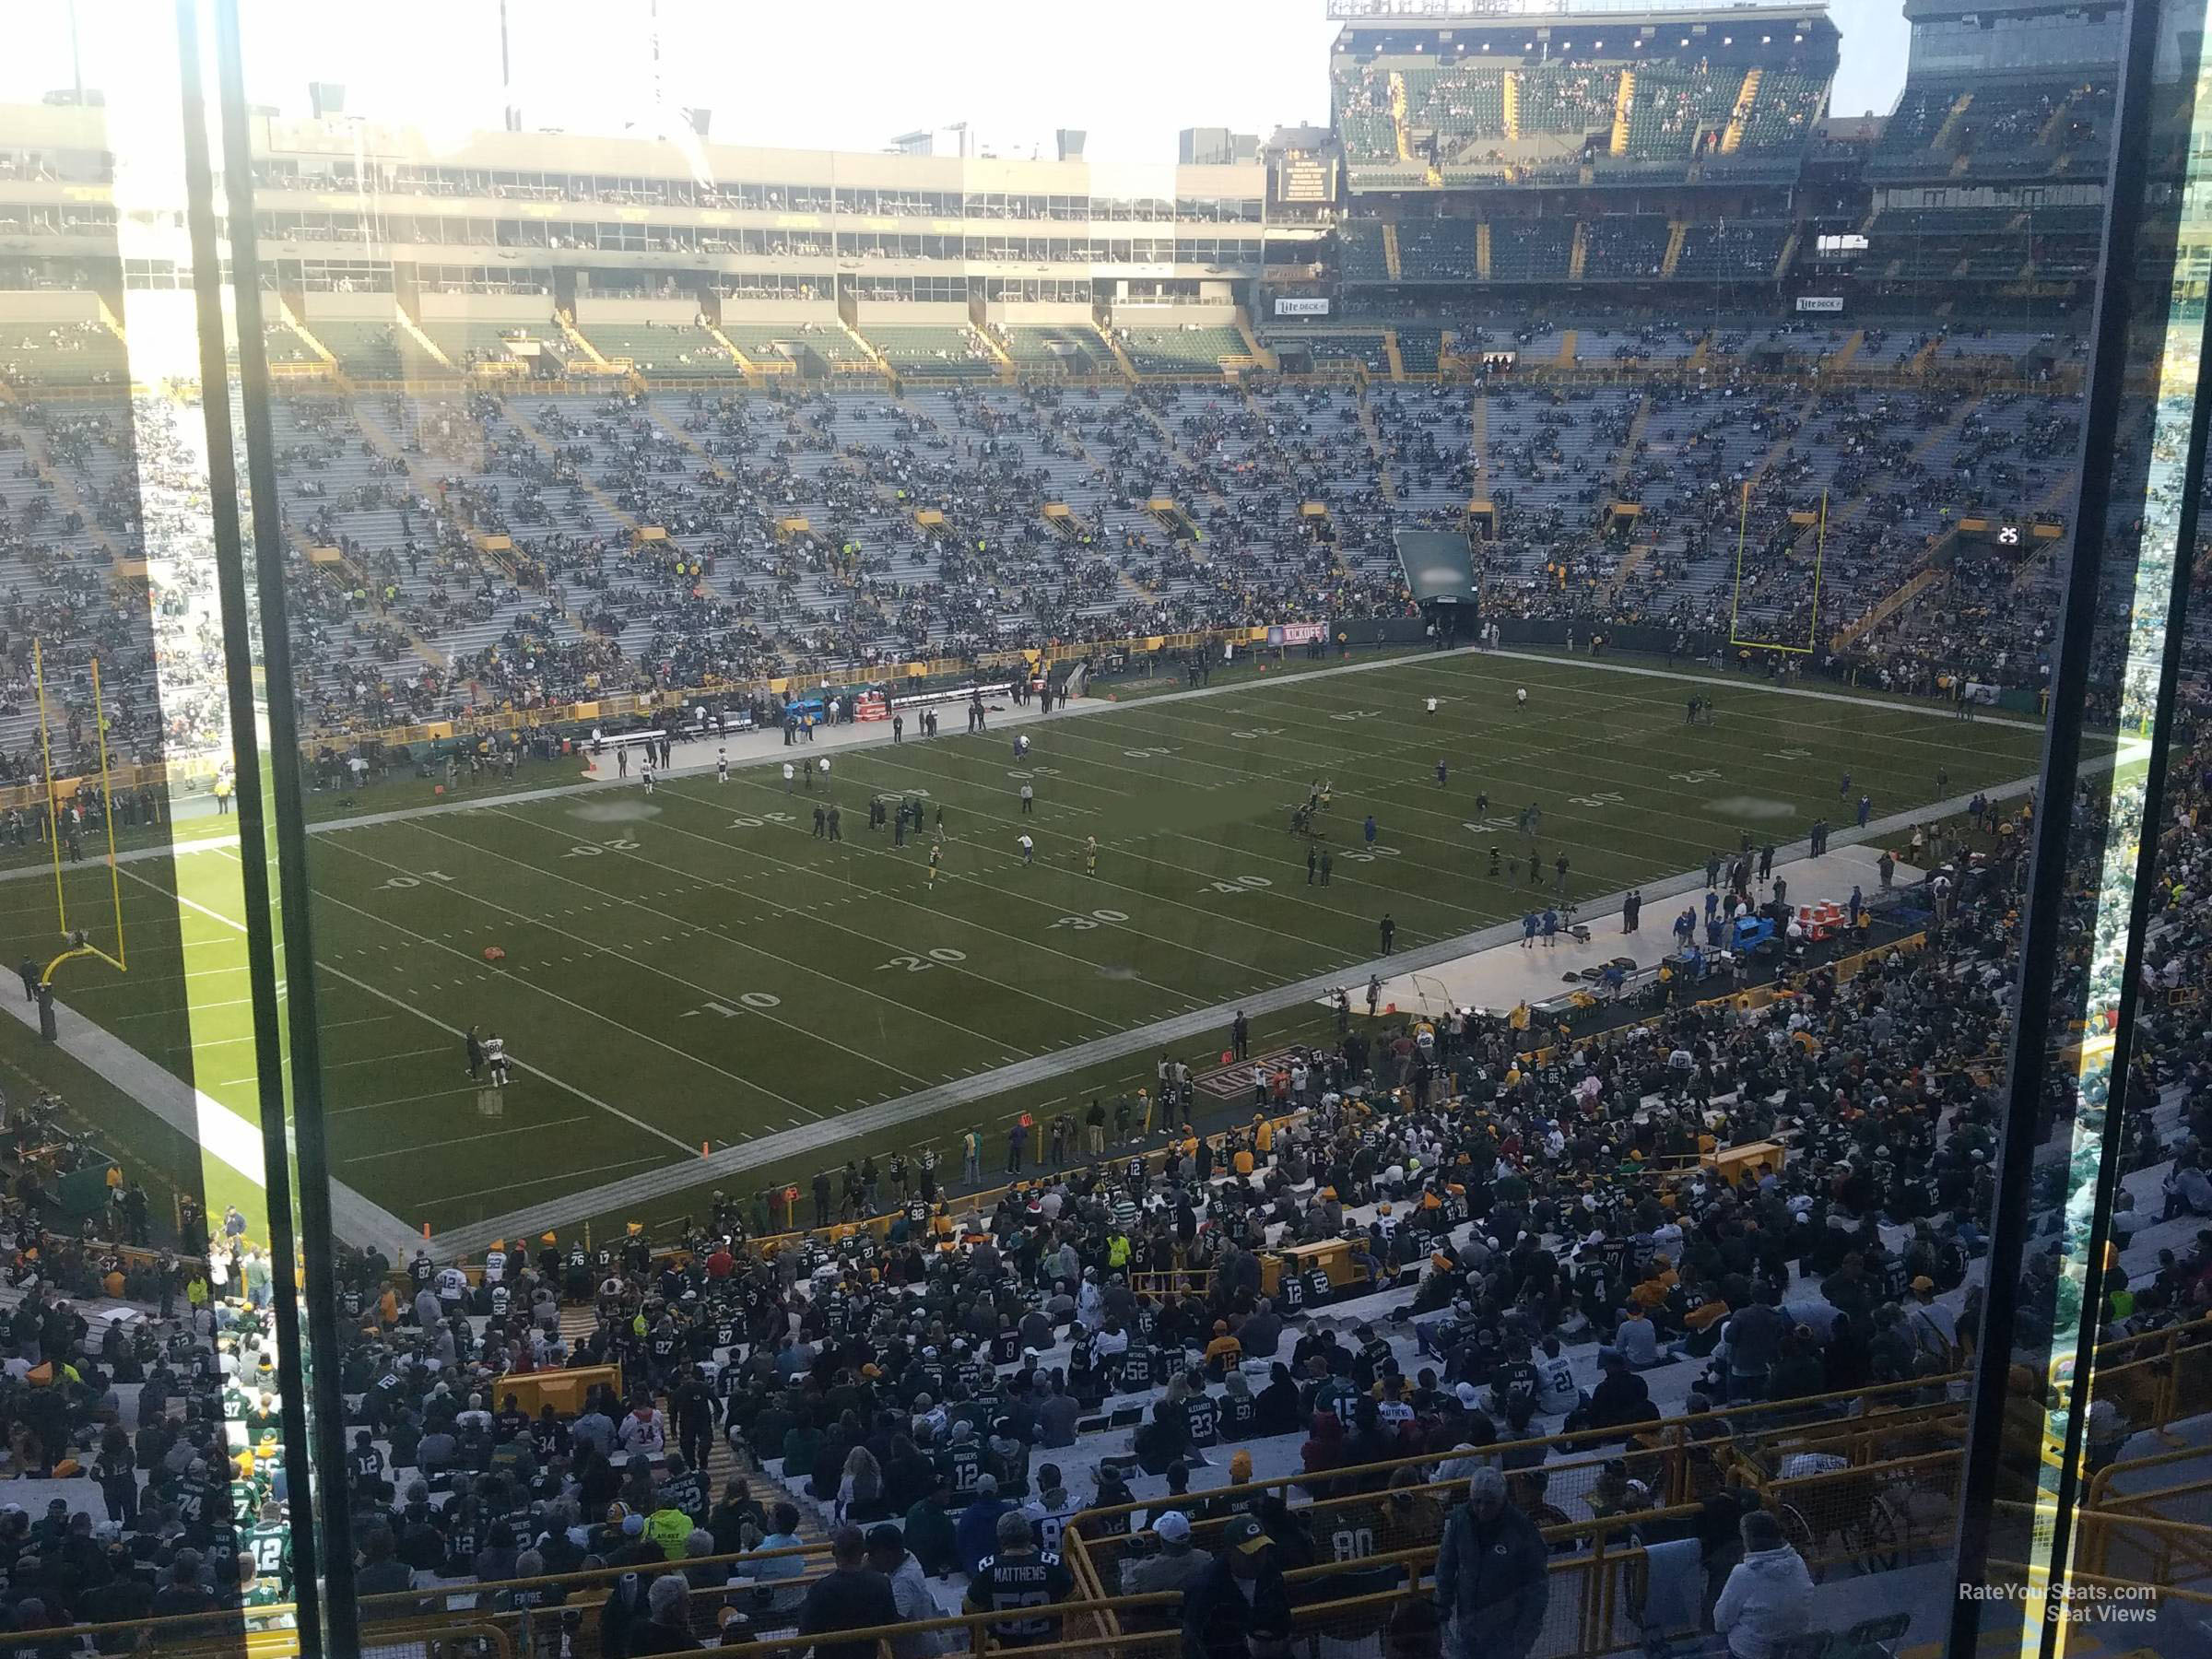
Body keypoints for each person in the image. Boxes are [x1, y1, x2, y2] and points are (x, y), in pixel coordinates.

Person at [1435, 1468, 1548, 1659]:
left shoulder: (1522, 1529)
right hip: (1468, 1622)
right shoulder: (1460, 1520)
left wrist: (1524, 1637)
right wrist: (1441, 1607)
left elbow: (1538, 1586)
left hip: (1506, 1630)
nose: (1482, 1509)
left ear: (1503, 1500)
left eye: (1490, 1503)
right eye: (1477, 1502)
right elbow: (1446, 1565)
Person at [1182, 1514, 1290, 1659]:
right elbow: (1192, 1640)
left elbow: (1284, 1616)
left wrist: (1274, 1638)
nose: (1258, 1558)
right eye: (1250, 1553)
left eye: (1262, 1550)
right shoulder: (1207, 1588)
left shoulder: (1271, 1573)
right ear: (1230, 1552)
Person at [965, 1507, 1073, 1648]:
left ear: (1001, 1538)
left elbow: (969, 1608)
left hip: (1005, 1647)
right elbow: (1074, 1600)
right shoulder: (1053, 1563)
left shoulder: (987, 1568)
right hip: (1047, 1645)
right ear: (1030, 1534)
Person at [1713, 1511, 1816, 1659]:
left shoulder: (1743, 1574)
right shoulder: (1798, 1562)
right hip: (1795, 1649)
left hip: (1752, 1652)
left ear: (1749, 1540)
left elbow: (1721, 1621)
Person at [797, 1525, 900, 1659]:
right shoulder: (881, 1583)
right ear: (864, 1551)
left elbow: (804, 1638)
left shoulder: (819, 1589)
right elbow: (892, 1627)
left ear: (833, 1551)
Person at [865, 1524, 939, 1659]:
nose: (869, 1559)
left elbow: (893, 1625)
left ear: (888, 1554)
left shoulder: (904, 1581)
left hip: (918, 1653)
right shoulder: (905, 1556)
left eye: (872, 1554)